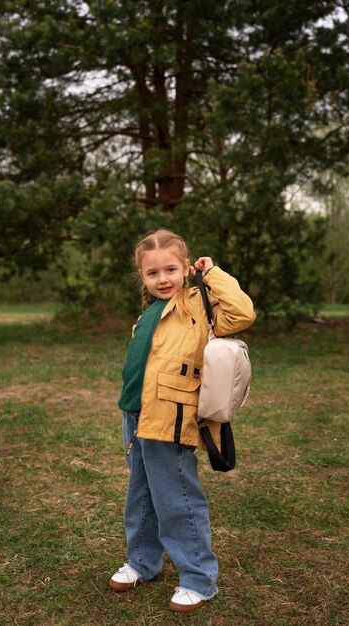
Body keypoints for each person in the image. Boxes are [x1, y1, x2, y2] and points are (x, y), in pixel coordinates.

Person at [109, 229, 256, 613]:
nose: (163, 279)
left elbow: (243, 313)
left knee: (178, 499)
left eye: (171, 269)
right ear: (142, 277)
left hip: (171, 419)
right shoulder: (146, 315)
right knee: (141, 497)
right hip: (135, 415)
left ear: (186, 269)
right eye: (153, 273)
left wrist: (213, 275)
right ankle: (143, 562)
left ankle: (197, 578)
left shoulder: (198, 306)